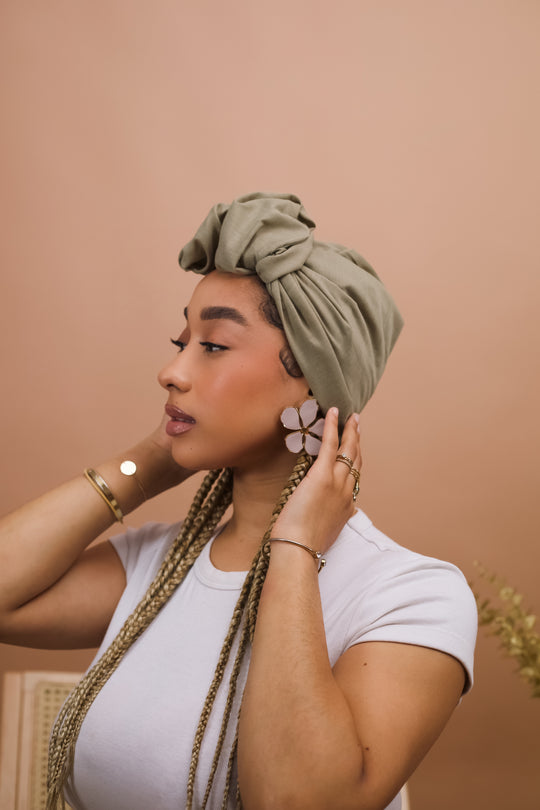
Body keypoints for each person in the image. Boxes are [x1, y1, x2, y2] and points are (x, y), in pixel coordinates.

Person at [0, 192, 477, 810]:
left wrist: (295, 548)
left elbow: (296, 800)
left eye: (214, 345)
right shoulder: (160, 564)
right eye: (181, 342)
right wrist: (146, 464)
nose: (171, 371)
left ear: (314, 379)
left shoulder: (411, 596)